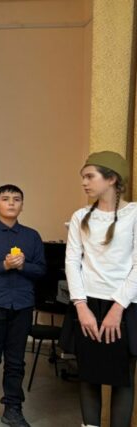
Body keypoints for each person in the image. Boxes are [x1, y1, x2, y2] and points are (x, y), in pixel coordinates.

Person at [63, 151, 137, 427]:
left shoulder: (134, 214)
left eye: (89, 176)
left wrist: (118, 308)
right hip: (88, 305)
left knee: (122, 378)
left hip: (125, 305)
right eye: (82, 177)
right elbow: (72, 262)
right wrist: (81, 306)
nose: (84, 182)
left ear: (112, 179)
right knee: (89, 375)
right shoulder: (80, 216)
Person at [0, 184, 46, 427]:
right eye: (5, 199)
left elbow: (41, 270)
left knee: (16, 361)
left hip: (22, 305)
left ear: (22, 205)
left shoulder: (32, 236)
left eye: (16, 199)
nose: (11, 203)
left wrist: (23, 265)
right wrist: (3, 265)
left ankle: (13, 408)